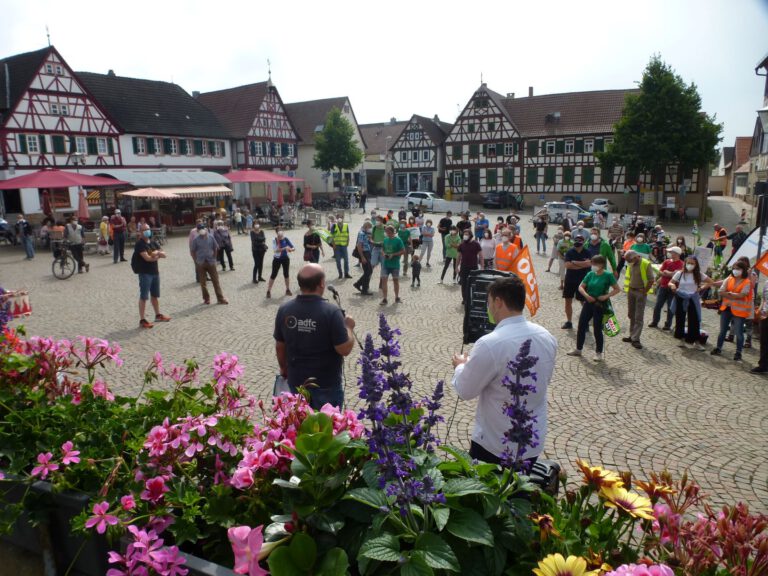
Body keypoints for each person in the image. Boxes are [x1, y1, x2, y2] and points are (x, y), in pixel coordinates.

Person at [451, 275, 557, 466]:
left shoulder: (490, 343)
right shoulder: (547, 336)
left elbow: (465, 390)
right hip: (531, 442)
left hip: (495, 444)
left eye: (489, 302)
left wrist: (460, 366)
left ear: (498, 302)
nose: (488, 307)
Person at [274, 263, 356, 409]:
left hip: (296, 382)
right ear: (321, 284)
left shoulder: (285, 309)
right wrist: (348, 327)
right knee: (327, 428)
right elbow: (344, 349)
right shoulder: (331, 312)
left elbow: (280, 346)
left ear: (300, 284)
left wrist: (283, 369)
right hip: (326, 384)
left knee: (300, 426)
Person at [567, 255, 621, 361]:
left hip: (600, 304)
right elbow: (581, 287)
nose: (593, 266)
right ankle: (578, 349)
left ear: (601, 264)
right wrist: (586, 296)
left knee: (597, 328)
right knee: (581, 325)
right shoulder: (590, 274)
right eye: (592, 263)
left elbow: (617, 289)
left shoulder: (608, 275)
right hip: (589, 302)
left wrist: (605, 296)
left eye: (595, 264)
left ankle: (599, 352)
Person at [710, 260, 752, 361]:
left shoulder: (747, 282)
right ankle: (718, 348)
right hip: (726, 309)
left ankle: (738, 353)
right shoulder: (729, 279)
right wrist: (733, 295)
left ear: (743, 270)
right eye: (734, 268)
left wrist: (729, 294)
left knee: (739, 333)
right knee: (722, 331)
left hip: (739, 312)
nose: (735, 270)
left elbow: (743, 294)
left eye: (738, 269)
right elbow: (721, 291)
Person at [132, 224, 170, 329]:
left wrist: (156, 253)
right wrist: (157, 255)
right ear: (140, 232)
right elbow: (147, 258)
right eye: (144, 230)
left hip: (155, 272)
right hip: (145, 273)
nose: (147, 231)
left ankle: (158, 315)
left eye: (148, 229)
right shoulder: (140, 244)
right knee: (144, 296)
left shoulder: (153, 242)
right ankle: (142, 319)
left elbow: (164, 254)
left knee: (155, 295)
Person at [669, 256, 709, 350]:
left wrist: (701, 288)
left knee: (694, 319)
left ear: (696, 265)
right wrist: (672, 286)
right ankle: (681, 339)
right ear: (685, 263)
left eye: (692, 263)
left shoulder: (699, 274)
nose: (690, 265)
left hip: (692, 298)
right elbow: (671, 282)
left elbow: (711, 282)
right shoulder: (680, 273)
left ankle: (696, 341)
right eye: (688, 263)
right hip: (681, 296)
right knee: (680, 319)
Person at [621, 250, 655, 349]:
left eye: (629, 260)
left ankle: (636, 339)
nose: (628, 262)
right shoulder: (631, 263)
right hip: (631, 291)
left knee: (638, 316)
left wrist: (645, 291)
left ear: (635, 257)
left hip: (640, 292)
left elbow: (651, 279)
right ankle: (632, 335)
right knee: (631, 314)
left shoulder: (645, 264)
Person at [190, 222, 228, 305]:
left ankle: (220, 298)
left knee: (216, 281)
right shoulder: (195, 240)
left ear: (205, 228)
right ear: (198, 231)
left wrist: (214, 258)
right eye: (199, 229)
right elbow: (192, 251)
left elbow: (215, 247)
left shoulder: (211, 237)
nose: (201, 230)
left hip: (211, 262)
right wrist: (196, 261)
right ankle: (206, 299)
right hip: (201, 263)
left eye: (202, 228)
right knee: (203, 283)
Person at [649, 246, 684, 330]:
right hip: (663, 286)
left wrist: (667, 273)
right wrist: (670, 273)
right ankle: (655, 321)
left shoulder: (682, 264)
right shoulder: (666, 261)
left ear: (676, 254)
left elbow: (677, 275)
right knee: (658, 305)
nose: (670, 253)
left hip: (673, 288)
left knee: (670, 307)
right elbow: (661, 272)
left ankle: (668, 325)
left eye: (671, 252)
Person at [562, 237, 591, 329]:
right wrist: (582, 264)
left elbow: (589, 264)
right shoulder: (570, 252)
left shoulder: (587, 252)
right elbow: (567, 265)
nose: (577, 243)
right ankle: (569, 322)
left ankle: (585, 323)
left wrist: (574, 262)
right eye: (576, 241)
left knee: (584, 302)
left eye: (579, 242)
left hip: (583, 281)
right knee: (568, 301)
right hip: (570, 280)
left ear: (583, 243)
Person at [266, 228, 295, 299]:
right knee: (273, 274)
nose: (280, 236)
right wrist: (285, 248)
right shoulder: (274, 240)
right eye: (279, 235)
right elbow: (276, 250)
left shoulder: (286, 239)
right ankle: (268, 291)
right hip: (277, 259)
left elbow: (293, 247)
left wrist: (291, 249)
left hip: (285, 258)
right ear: (276, 233)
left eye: (281, 235)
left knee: (286, 274)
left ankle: (287, 289)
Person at [457, 229, 483, 305]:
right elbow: (458, 256)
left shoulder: (476, 244)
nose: (465, 235)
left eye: (467, 234)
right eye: (464, 234)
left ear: (470, 235)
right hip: (464, 267)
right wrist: (456, 267)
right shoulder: (461, 245)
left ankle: (473, 298)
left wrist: (482, 266)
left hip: (474, 267)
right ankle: (464, 299)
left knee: (473, 284)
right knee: (464, 284)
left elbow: (481, 256)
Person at [380, 225, 405, 305]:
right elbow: (382, 249)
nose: (386, 233)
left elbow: (403, 251)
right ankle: (384, 298)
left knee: (395, 281)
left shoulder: (398, 240)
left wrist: (393, 255)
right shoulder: (385, 240)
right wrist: (384, 254)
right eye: (385, 232)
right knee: (384, 280)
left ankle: (397, 297)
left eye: (387, 232)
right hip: (386, 264)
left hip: (395, 264)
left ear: (391, 232)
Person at [751, 278, 768, 373]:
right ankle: (763, 365)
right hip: (764, 316)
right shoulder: (766, 282)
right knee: (764, 341)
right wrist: (759, 310)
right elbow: (764, 299)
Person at [353, 220, 374, 296]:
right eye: (370, 228)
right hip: (364, 253)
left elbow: (367, 242)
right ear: (366, 226)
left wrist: (372, 241)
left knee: (368, 271)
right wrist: (362, 257)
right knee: (368, 271)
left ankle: (359, 285)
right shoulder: (361, 233)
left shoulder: (365, 233)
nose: (370, 229)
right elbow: (359, 246)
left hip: (367, 252)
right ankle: (363, 288)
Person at [330, 213, 352, 280]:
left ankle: (346, 274)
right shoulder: (334, 226)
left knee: (346, 260)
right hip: (337, 246)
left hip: (344, 245)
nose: (340, 219)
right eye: (338, 217)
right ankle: (340, 274)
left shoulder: (346, 225)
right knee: (338, 260)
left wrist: (348, 241)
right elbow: (332, 236)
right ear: (337, 219)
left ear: (343, 219)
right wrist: (333, 245)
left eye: (341, 217)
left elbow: (347, 234)